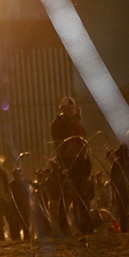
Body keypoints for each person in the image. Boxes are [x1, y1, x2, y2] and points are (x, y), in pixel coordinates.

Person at [51, 96, 93, 234]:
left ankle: (84, 227)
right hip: (67, 163)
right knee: (67, 196)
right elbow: (61, 141)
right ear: (62, 109)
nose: (71, 110)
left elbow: (84, 142)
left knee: (83, 195)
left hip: (81, 163)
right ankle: (62, 228)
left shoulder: (77, 125)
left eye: (72, 108)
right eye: (68, 108)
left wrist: (87, 162)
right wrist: (73, 123)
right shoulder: (58, 123)